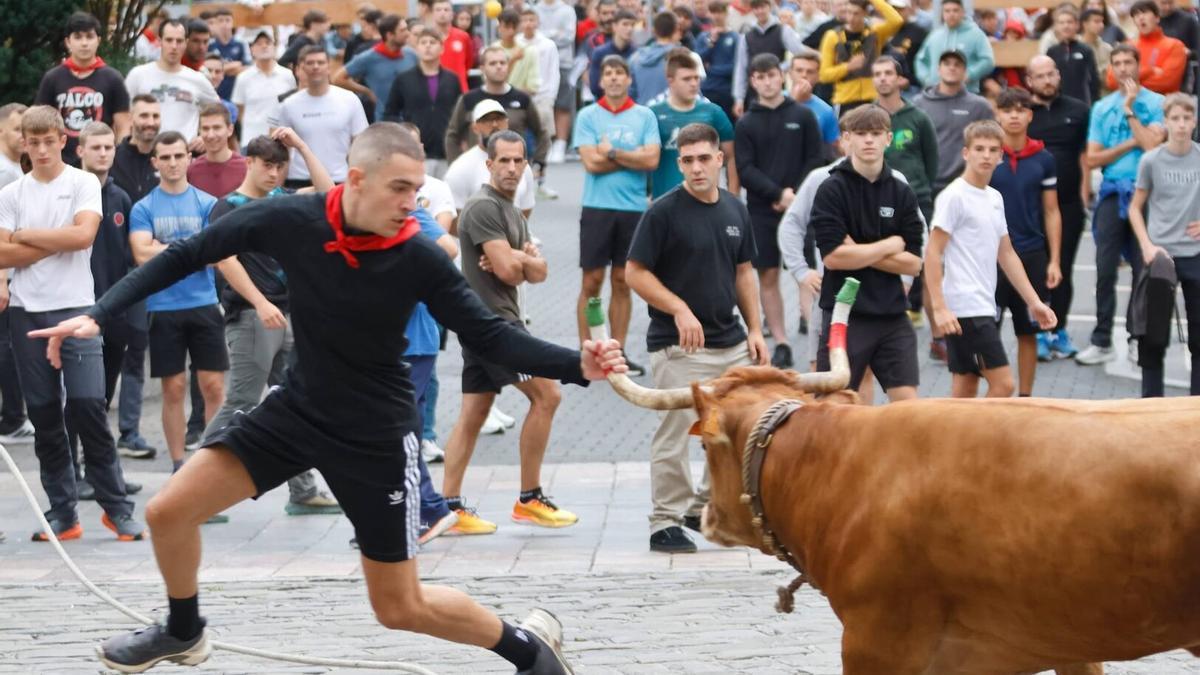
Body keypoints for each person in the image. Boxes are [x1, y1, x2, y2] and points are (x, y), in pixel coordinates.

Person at [30, 123, 622, 675]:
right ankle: (184, 630)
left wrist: (576, 364)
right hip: (297, 411)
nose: (410, 202)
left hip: (376, 435)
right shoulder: (294, 219)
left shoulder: (418, 255)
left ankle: (530, 650)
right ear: (356, 180)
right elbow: (191, 253)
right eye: (399, 188)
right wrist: (97, 315)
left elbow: (490, 334)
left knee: (399, 607)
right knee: (167, 511)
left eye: (417, 189)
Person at [0, 106, 145, 542]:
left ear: (63, 139)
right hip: (28, 310)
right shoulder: (12, 193)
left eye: (50, 141)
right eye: (34, 142)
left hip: (78, 308)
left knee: (88, 407)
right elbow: (3, 255)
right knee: (44, 413)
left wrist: (24, 236)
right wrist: (51, 239)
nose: (42, 150)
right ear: (24, 143)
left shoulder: (82, 183)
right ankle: (63, 511)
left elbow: (83, 237)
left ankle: (116, 507)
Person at [626, 122, 767, 554]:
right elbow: (635, 272)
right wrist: (679, 308)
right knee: (674, 431)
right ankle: (664, 520)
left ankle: (704, 505)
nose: (696, 168)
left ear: (720, 159)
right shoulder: (663, 213)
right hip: (678, 345)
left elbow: (744, 272)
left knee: (731, 429)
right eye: (686, 160)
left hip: (732, 340)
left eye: (704, 158)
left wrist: (757, 329)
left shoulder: (735, 209)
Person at [440, 130, 579, 536]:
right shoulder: (484, 207)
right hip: (493, 324)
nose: (513, 168)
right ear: (489, 164)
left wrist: (516, 257)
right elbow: (508, 272)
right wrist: (520, 259)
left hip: (489, 321)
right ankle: (530, 497)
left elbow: (539, 273)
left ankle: (448, 507)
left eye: (519, 161)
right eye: (504, 161)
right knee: (548, 394)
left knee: (473, 414)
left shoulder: (512, 212)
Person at [200, 130, 341, 516]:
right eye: (268, 166)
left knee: (296, 400)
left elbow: (330, 196)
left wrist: (303, 146)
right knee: (241, 403)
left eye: (280, 166)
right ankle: (192, 488)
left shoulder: (284, 203)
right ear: (249, 162)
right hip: (251, 317)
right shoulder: (228, 208)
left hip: (289, 313)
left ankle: (303, 490)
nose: (275, 174)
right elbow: (224, 260)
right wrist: (259, 302)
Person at [926, 119, 1058, 398]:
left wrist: (1034, 302)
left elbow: (1007, 253)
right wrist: (939, 308)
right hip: (964, 306)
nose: (986, 155)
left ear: (1001, 156)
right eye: (979, 149)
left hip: (982, 303)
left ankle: (951, 442)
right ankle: (978, 443)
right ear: (966, 153)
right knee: (1004, 385)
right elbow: (933, 252)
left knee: (966, 386)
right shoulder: (954, 197)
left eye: (992, 150)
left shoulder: (994, 198)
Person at [128, 131, 228, 471]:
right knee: (174, 388)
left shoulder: (207, 203)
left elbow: (216, 254)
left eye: (178, 156)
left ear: (189, 158)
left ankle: (209, 462)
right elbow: (141, 254)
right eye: (165, 157)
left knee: (213, 386)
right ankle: (178, 464)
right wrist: (191, 248)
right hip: (163, 307)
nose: (172, 163)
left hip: (203, 302)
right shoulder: (144, 207)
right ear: (155, 162)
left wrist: (166, 250)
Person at [810, 104, 924, 401]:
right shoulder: (831, 190)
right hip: (845, 315)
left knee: (908, 406)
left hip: (892, 315)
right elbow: (834, 258)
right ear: (846, 139)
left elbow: (914, 264)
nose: (869, 140)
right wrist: (889, 245)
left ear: (888, 139)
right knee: (835, 406)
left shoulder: (901, 192)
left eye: (876, 133)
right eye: (861, 134)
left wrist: (858, 250)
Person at [1077, 44, 1166, 365]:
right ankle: (1101, 339)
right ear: (1111, 69)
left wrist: (1130, 110)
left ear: (1138, 65)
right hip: (1112, 193)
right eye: (1118, 63)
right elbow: (1093, 157)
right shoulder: (1101, 107)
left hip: (1147, 196)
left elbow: (1153, 145)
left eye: (1129, 62)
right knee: (1104, 269)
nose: (1124, 68)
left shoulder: (1158, 103)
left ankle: (1135, 337)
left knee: (1144, 271)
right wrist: (1131, 140)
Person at [734, 53, 824, 369]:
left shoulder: (802, 115)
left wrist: (794, 196)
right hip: (762, 210)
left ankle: (817, 339)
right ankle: (782, 341)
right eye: (760, 77)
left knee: (807, 276)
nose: (768, 82)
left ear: (781, 76)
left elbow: (817, 158)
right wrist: (775, 194)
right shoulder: (746, 122)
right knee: (767, 274)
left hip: (802, 211)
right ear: (753, 81)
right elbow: (744, 168)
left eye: (772, 75)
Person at [574, 55, 661, 375]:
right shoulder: (588, 116)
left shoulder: (644, 116)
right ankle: (587, 352)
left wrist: (611, 151)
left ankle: (617, 351)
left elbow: (651, 160)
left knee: (623, 281)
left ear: (628, 80)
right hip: (597, 208)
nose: (613, 78)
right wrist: (631, 157)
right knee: (592, 281)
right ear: (600, 81)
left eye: (619, 73)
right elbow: (590, 164)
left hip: (633, 209)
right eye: (607, 73)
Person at [988, 87, 1063, 397]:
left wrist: (1054, 259)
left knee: (1028, 331)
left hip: (1031, 255)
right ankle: (991, 393)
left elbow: (1051, 210)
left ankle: (1026, 398)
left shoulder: (1043, 159)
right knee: (985, 332)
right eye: (1007, 110)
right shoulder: (988, 156)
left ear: (1030, 115)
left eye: (1020, 109)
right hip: (991, 257)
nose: (1014, 115)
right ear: (998, 115)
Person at [1129, 93, 1200, 397]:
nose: (1181, 125)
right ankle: (1151, 404)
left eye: (1187, 118)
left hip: (1195, 254)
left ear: (1194, 121)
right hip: (1161, 256)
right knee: (1153, 336)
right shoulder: (1151, 160)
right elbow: (1135, 207)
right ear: (1166, 122)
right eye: (1175, 119)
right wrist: (1146, 245)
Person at [1026, 55, 1091, 361]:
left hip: (1068, 204)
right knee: (1037, 269)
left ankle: (1059, 331)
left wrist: (1085, 191)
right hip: (1031, 205)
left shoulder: (1079, 110)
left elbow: (1086, 155)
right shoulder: (1024, 114)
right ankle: (1039, 330)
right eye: (1040, 76)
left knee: (1062, 268)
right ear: (1030, 81)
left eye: (1051, 74)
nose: (1047, 80)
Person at [106, 95, 159, 458]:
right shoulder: (115, 157)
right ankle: (91, 436)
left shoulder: (161, 158)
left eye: (156, 116)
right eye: (144, 115)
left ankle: (129, 432)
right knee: (106, 354)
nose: (150, 122)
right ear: (131, 120)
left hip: (147, 272)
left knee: (137, 351)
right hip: (112, 271)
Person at [35, 12, 131, 165]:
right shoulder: (52, 78)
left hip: (100, 162)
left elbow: (123, 125)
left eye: (89, 36)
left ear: (98, 40)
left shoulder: (113, 78)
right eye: (78, 37)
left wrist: (118, 159)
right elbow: (40, 123)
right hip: (61, 163)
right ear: (68, 42)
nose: (84, 43)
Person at [272, 46, 370, 188]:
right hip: (299, 181)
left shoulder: (350, 99)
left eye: (320, 62)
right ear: (301, 68)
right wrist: (276, 189)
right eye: (310, 63)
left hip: (339, 180)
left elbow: (360, 144)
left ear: (329, 67)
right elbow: (282, 153)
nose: (316, 67)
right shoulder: (289, 105)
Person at [445, 47, 551, 175]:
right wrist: (457, 165)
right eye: (493, 63)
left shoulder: (522, 99)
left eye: (502, 63)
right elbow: (452, 135)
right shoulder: (468, 100)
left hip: (514, 173)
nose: (499, 67)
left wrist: (538, 163)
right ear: (482, 68)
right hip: (476, 172)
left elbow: (542, 133)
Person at [650, 49, 738, 198]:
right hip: (665, 201)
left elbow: (731, 157)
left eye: (696, 78)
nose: (694, 84)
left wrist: (733, 196)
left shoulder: (713, 112)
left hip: (705, 203)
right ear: (670, 80)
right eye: (687, 79)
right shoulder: (653, 113)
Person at [381, 26, 463, 179]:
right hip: (415, 152)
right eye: (423, 42)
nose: (428, 46)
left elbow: (461, 114)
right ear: (416, 48)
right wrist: (405, 134)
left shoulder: (452, 79)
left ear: (442, 48)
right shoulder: (404, 80)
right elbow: (390, 113)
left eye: (432, 42)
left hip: (447, 153)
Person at [913, 49, 993, 197]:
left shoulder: (980, 106)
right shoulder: (918, 104)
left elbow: (991, 145)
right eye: (947, 63)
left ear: (965, 71)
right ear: (938, 69)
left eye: (957, 64)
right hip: (925, 188)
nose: (952, 67)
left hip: (966, 187)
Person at [125, 18, 220, 142]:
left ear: (186, 43)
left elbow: (219, 113)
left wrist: (204, 136)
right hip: (144, 151)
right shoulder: (138, 75)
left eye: (179, 41)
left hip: (184, 154)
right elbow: (123, 115)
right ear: (160, 41)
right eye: (169, 40)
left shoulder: (198, 79)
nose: (174, 46)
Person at [0, 104, 34, 447]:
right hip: (4, 271)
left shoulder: (14, 169)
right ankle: (12, 419)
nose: (23, 136)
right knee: (6, 345)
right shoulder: (6, 174)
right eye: (16, 129)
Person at [446, 100, 540, 216]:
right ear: (475, 127)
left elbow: (525, 210)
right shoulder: (460, 168)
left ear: (507, 123)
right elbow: (455, 219)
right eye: (487, 120)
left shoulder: (522, 164)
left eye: (499, 119)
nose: (495, 124)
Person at [817, 0, 904, 114]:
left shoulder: (875, 33)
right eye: (848, 12)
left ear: (865, 13)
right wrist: (848, 67)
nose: (851, 18)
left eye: (856, 13)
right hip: (845, 100)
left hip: (872, 98)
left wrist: (873, 1)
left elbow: (896, 21)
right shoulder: (833, 36)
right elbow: (824, 75)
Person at [334, 14, 417, 122]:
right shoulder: (369, 57)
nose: (408, 34)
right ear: (389, 35)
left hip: (412, 120)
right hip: (385, 122)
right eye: (403, 30)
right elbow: (338, 78)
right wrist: (367, 92)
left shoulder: (411, 54)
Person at [733, 0, 806, 116]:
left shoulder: (783, 30)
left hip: (778, 91)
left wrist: (780, 68)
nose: (760, 11)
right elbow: (741, 68)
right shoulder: (747, 36)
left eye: (762, 7)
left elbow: (801, 54)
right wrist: (739, 98)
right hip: (754, 93)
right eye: (756, 8)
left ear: (769, 7)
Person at [1105, 0, 1187, 95]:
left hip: (1162, 104)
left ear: (1157, 18)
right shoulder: (1127, 46)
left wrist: (1128, 80)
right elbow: (1111, 81)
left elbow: (1167, 83)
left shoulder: (1175, 46)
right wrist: (1150, 70)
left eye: (1145, 12)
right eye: (1136, 15)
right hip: (1128, 103)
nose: (1141, 17)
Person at [231, 31, 296, 149]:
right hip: (251, 141)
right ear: (252, 49)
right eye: (259, 43)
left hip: (281, 141)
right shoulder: (243, 78)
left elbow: (292, 105)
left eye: (268, 42)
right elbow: (240, 110)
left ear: (275, 47)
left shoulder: (287, 75)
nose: (264, 46)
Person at [913, 0, 994, 92]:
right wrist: (926, 79)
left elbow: (988, 60)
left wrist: (970, 74)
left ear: (963, 12)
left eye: (955, 10)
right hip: (936, 94)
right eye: (947, 11)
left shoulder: (976, 34)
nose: (951, 14)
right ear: (942, 13)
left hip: (967, 93)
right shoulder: (934, 36)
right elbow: (920, 60)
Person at [535, 0, 577, 164]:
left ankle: (561, 144)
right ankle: (548, 143)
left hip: (563, 63)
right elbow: (534, 35)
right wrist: (554, 33)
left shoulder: (567, 10)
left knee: (563, 105)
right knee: (544, 104)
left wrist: (546, 36)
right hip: (539, 64)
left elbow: (568, 37)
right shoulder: (535, 9)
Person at [1045, 5, 1101, 106]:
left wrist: (1094, 105)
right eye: (1061, 23)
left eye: (1069, 22)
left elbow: (1094, 82)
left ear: (1077, 25)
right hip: (1058, 104)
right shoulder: (1052, 51)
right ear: (1056, 26)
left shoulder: (1086, 50)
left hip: (1082, 104)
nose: (1066, 26)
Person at [187, 104, 246, 199]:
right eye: (205, 128)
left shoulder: (246, 168)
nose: (210, 135)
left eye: (217, 128)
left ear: (230, 130)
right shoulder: (191, 171)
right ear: (199, 131)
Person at [790, 51, 843, 155]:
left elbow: (833, 148)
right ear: (790, 73)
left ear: (818, 76)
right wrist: (794, 101)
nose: (804, 75)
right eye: (799, 70)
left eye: (810, 72)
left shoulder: (826, 110)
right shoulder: (774, 101)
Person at [696, 1, 740, 121]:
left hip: (726, 91)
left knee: (726, 128)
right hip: (706, 90)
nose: (716, 16)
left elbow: (735, 68)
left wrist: (710, 69)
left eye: (720, 12)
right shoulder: (703, 37)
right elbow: (697, 62)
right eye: (713, 12)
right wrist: (711, 43)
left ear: (726, 13)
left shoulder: (735, 37)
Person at [589, 10, 640, 101]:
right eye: (625, 24)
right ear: (614, 26)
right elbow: (595, 87)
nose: (630, 29)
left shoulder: (637, 54)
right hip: (604, 105)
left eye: (632, 25)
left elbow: (638, 86)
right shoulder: (599, 53)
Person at [428, 0, 475, 92]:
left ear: (452, 14)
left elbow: (469, 62)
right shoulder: (427, 38)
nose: (442, 13)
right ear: (432, 13)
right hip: (434, 89)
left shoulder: (463, 36)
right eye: (438, 10)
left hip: (459, 88)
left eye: (446, 10)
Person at [206, 8, 250, 102]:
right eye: (221, 20)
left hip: (236, 95)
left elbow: (248, 68)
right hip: (214, 95)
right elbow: (205, 70)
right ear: (216, 24)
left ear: (233, 22)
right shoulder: (210, 45)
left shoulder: (241, 43)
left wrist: (219, 69)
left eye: (227, 20)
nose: (224, 23)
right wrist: (234, 65)